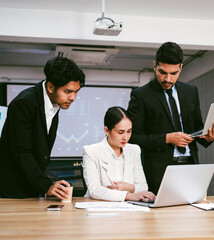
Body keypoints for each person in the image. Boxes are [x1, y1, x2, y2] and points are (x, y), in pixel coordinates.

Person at [127, 41, 214, 194]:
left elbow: (197, 130)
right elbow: (132, 138)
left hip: (190, 167)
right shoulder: (141, 95)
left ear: (181, 68)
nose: (168, 79)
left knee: (191, 215)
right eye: (162, 72)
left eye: (174, 74)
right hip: (158, 172)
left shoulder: (190, 91)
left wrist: (209, 137)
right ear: (154, 66)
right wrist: (167, 138)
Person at [0, 57, 85, 199]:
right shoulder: (25, 103)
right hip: (11, 190)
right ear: (51, 87)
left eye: (76, 91)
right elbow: (21, 151)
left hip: (31, 188)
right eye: (68, 91)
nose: (73, 97)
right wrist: (46, 185)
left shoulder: (55, 104)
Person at [82, 107, 156, 202]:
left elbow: (143, 187)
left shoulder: (134, 150)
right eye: (120, 132)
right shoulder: (91, 151)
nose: (125, 137)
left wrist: (129, 187)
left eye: (129, 131)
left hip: (130, 209)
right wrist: (127, 195)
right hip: (100, 207)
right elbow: (94, 190)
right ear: (107, 131)